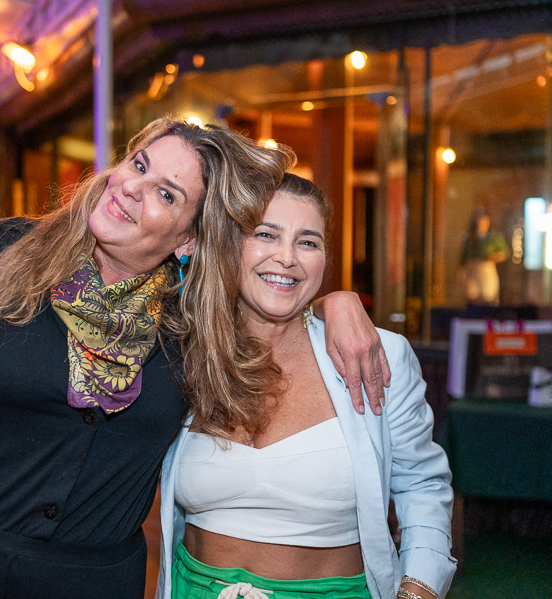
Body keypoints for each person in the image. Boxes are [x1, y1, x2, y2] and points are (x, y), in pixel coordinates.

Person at [0, 117, 388, 599]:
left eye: (166, 194)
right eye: (138, 164)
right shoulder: (7, 252)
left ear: (190, 241)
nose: (130, 188)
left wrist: (336, 303)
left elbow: (273, 298)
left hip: (88, 581)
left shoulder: (195, 323)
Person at [158, 174, 456, 599]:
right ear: (228, 245)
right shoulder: (184, 351)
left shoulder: (373, 354)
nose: (287, 258)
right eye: (266, 234)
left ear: (325, 259)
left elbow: (422, 486)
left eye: (308, 242)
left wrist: (418, 591)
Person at [459, 206, 508, 305]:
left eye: (484, 222)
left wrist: (492, 257)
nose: (481, 225)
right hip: (472, 272)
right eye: (479, 223)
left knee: (488, 296)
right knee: (472, 297)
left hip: (487, 271)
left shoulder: (494, 238)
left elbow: (504, 254)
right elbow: (463, 259)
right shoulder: (469, 239)